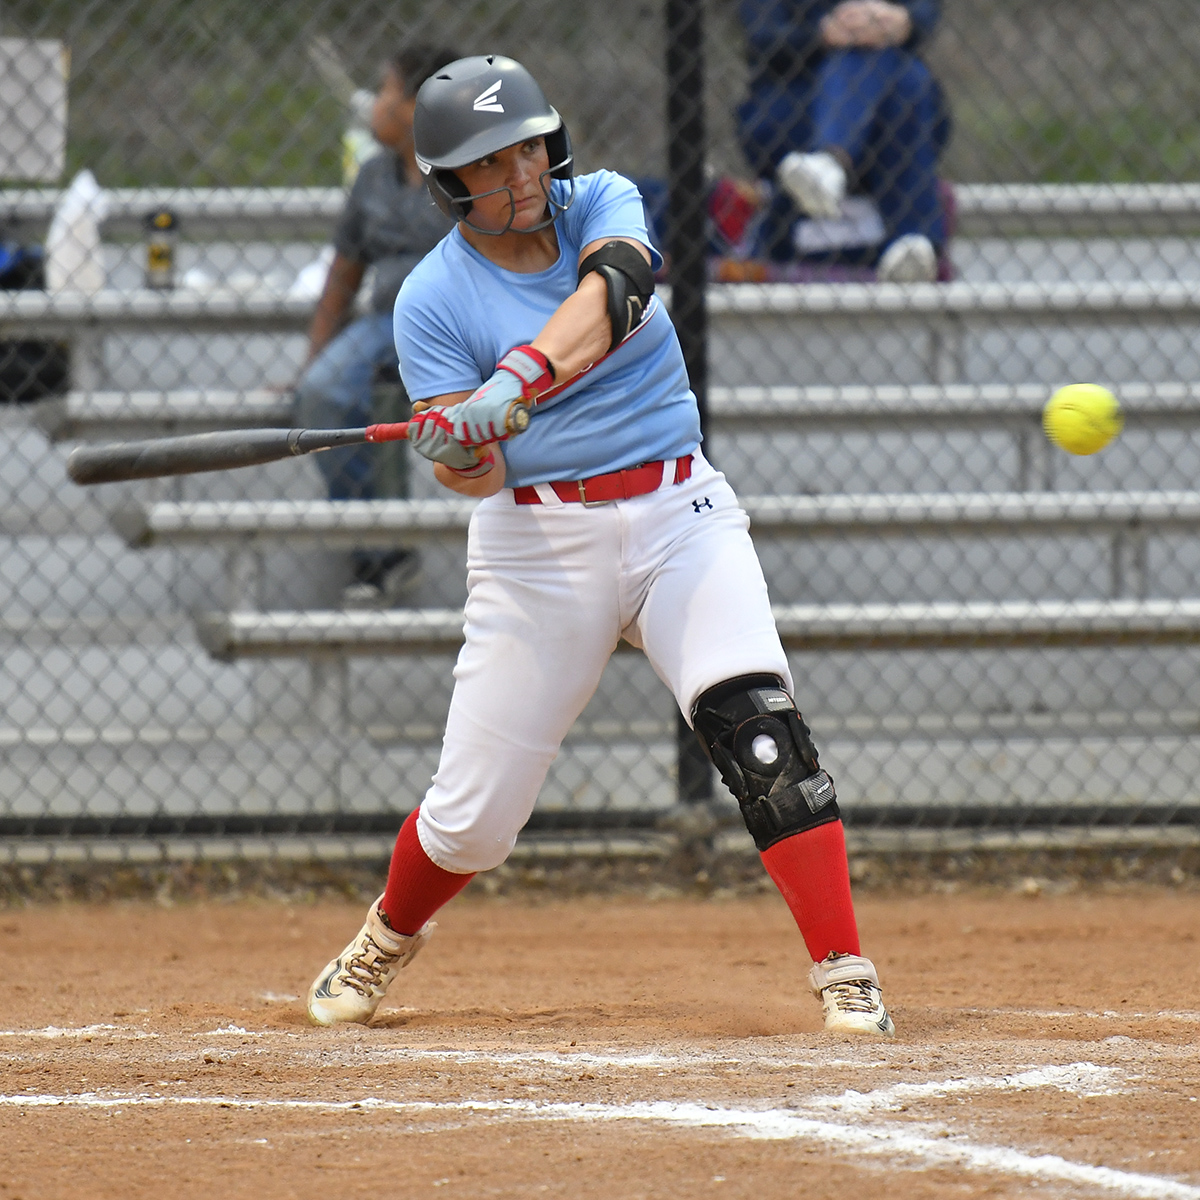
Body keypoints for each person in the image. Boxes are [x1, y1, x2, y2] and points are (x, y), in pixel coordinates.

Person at [306, 54, 895, 1039]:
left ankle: (845, 969)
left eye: (529, 146)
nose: (523, 172)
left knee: (763, 736)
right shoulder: (431, 300)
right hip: (540, 542)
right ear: (450, 183)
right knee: (473, 821)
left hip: (680, 516)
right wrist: (461, 443)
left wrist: (517, 382)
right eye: (492, 163)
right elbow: (478, 478)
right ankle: (386, 934)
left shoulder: (600, 204)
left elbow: (618, 290)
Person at [294, 43, 459, 607]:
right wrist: (310, 363)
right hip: (386, 323)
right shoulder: (373, 176)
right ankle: (380, 550)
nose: (375, 103)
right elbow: (342, 278)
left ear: (419, 105)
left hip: (456, 321)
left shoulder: (468, 175)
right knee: (320, 394)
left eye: (387, 89)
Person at [738, 0, 950, 280]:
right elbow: (761, 38)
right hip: (796, 104)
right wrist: (823, 34)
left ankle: (829, 162)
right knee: (907, 79)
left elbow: (925, 12)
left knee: (895, 71)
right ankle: (915, 240)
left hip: (889, 107)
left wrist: (902, 22)